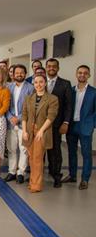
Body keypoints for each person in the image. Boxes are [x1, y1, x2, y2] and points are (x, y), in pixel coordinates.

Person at [22, 74, 58, 193]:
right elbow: (24, 115)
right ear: (33, 84)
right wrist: (24, 131)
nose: (38, 84)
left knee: (37, 158)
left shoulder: (52, 98)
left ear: (45, 83)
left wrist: (41, 131)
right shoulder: (28, 98)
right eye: (36, 82)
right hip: (29, 131)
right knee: (31, 158)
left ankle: (36, 185)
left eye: (41, 82)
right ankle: (33, 181)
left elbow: (51, 116)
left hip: (42, 131)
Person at [63, 65, 96, 190]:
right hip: (72, 126)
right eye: (80, 72)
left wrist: (92, 124)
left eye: (85, 73)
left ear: (89, 75)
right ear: (76, 74)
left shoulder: (93, 92)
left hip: (85, 126)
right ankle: (72, 175)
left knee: (86, 154)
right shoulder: (71, 90)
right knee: (71, 152)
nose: (82, 75)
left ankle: (85, 179)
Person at [4, 65, 34, 184]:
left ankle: (21, 172)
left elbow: (31, 107)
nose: (19, 74)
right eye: (17, 73)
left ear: (25, 74)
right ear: (13, 74)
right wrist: (11, 117)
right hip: (11, 122)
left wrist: (19, 118)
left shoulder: (30, 88)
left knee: (23, 149)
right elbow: (5, 105)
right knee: (11, 148)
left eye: (22, 72)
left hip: (24, 123)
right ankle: (11, 171)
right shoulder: (8, 87)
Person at [45, 58, 72, 188]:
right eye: (49, 66)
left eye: (54, 66)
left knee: (55, 150)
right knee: (40, 150)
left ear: (58, 68)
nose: (51, 68)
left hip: (57, 124)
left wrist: (66, 122)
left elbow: (68, 106)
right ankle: (38, 174)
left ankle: (56, 175)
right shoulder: (40, 82)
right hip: (40, 124)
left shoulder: (65, 84)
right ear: (46, 68)